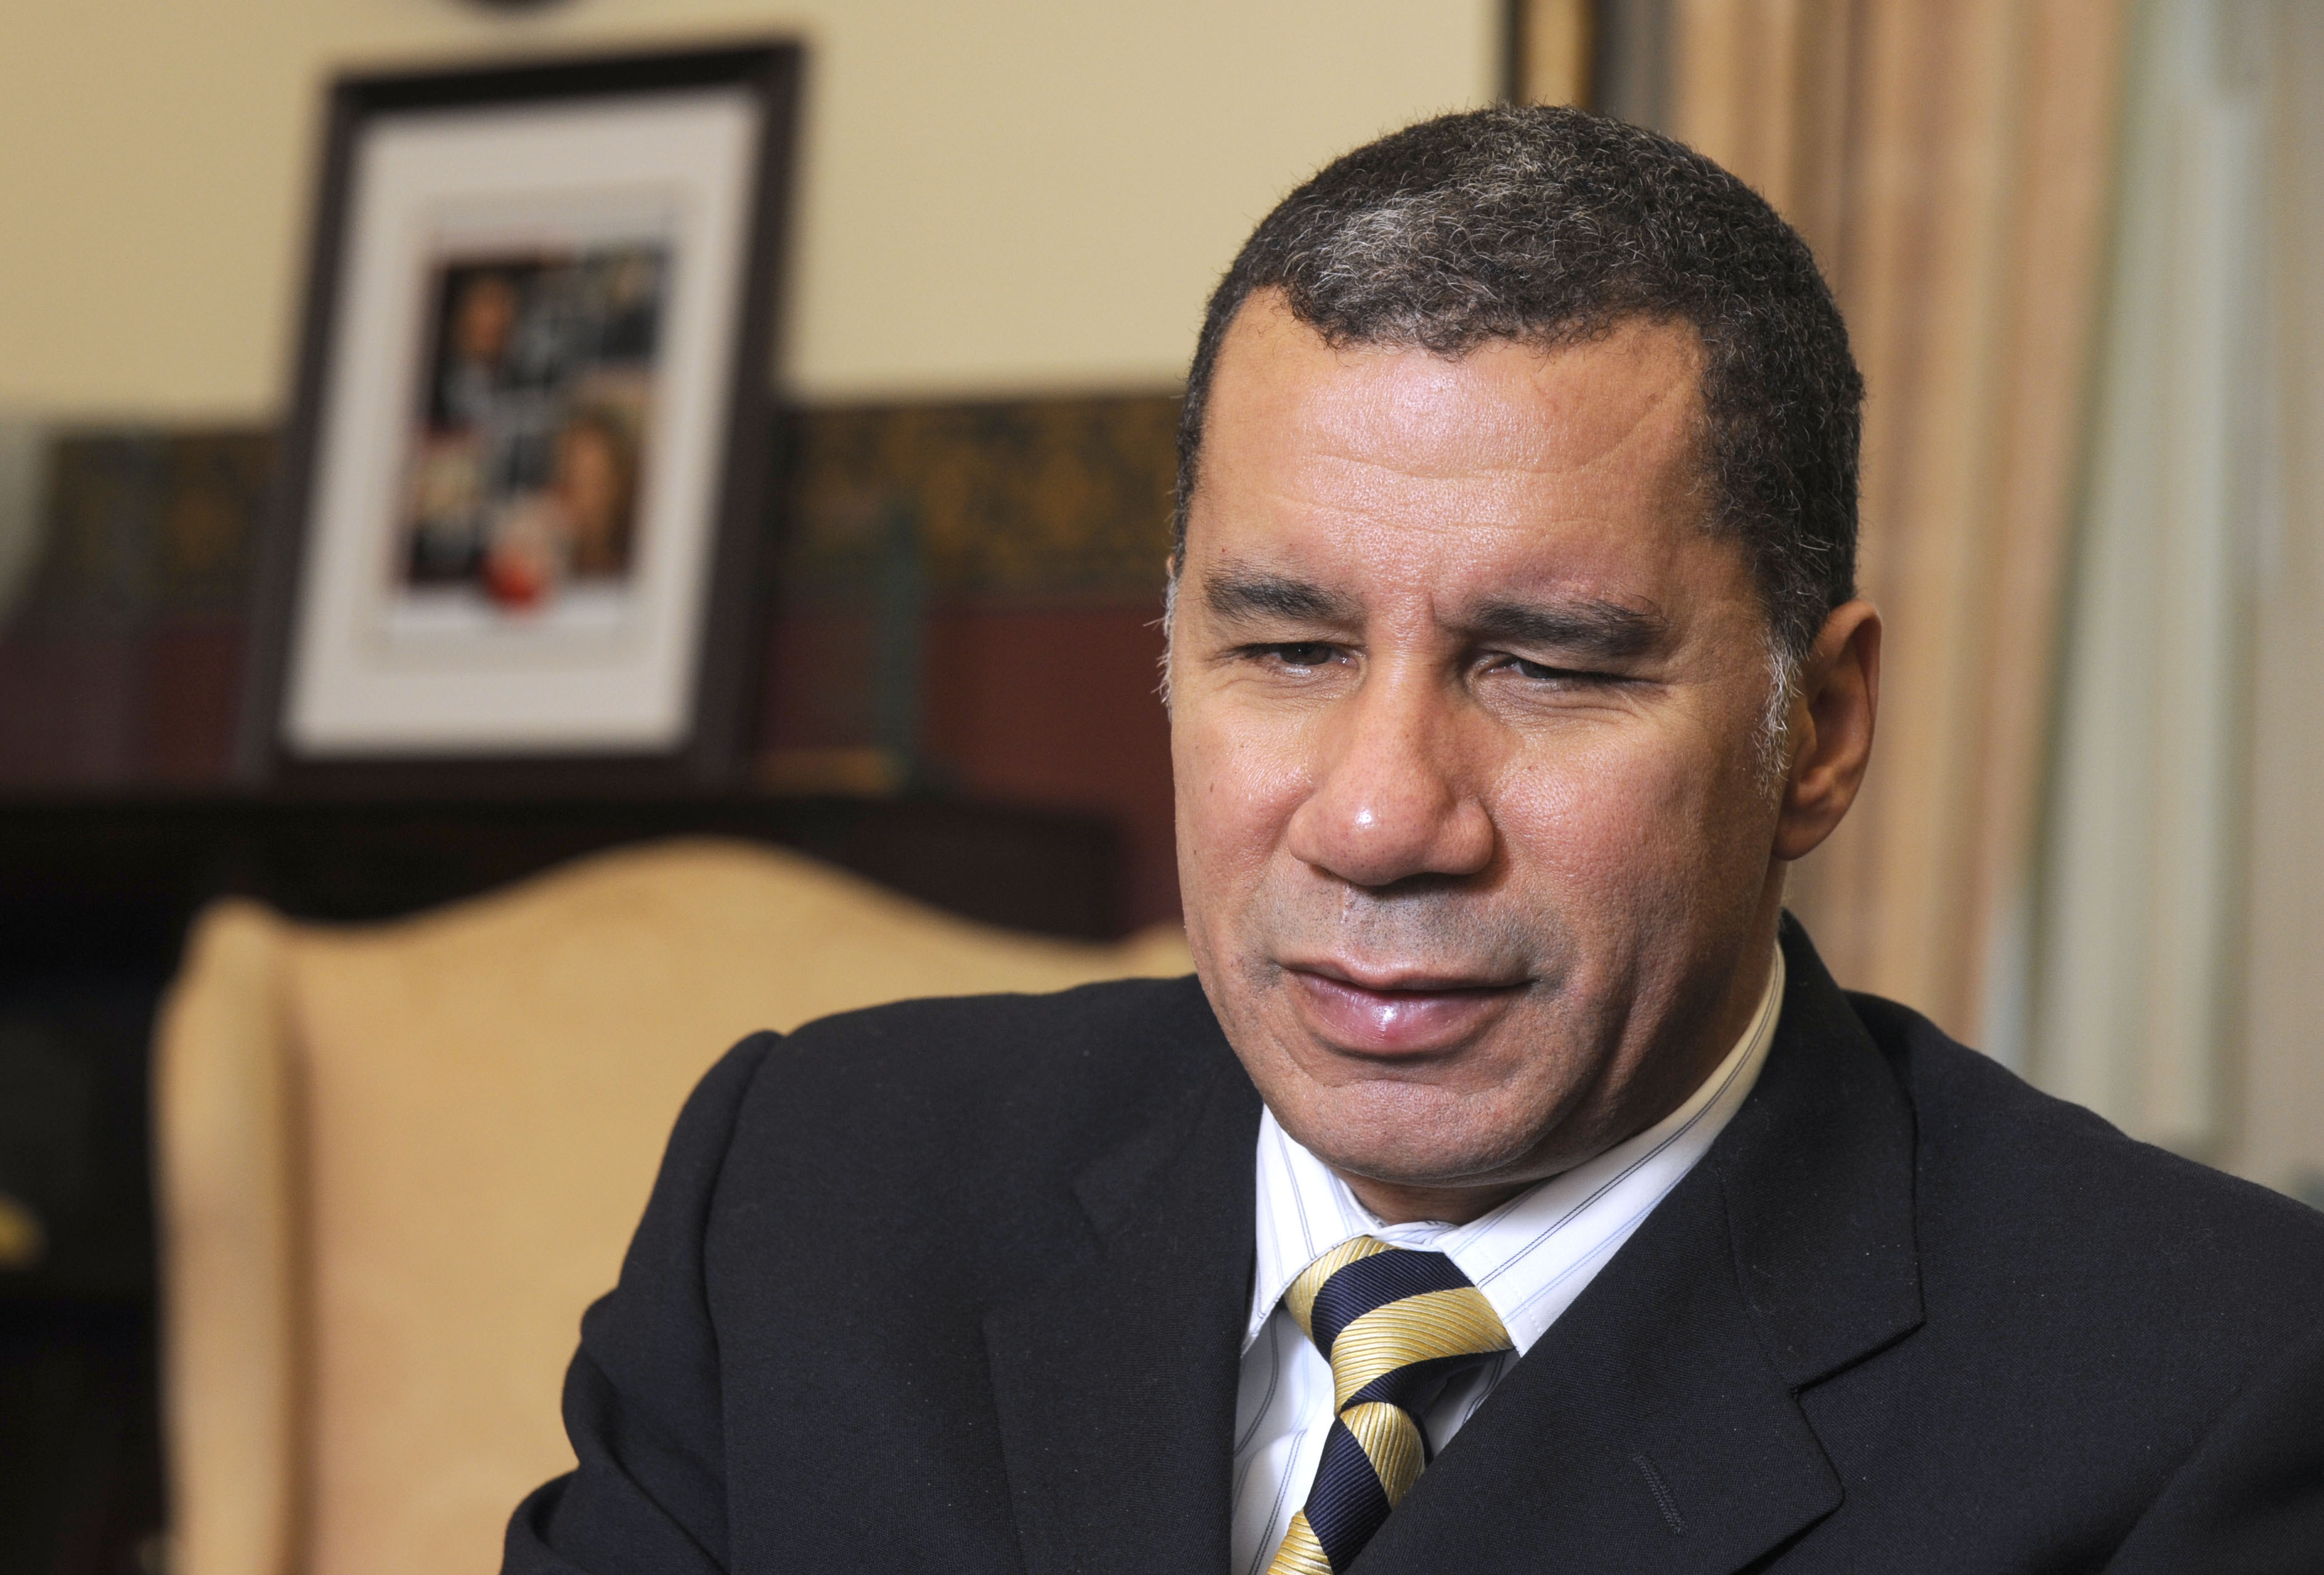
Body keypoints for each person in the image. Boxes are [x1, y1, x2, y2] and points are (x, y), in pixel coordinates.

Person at [504, 107, 2324, 1574]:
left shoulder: (2207, 1385)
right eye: (1285, 648)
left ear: (1815, 737)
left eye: (1540, 665)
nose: (1379, 816)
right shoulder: (809, 1192)